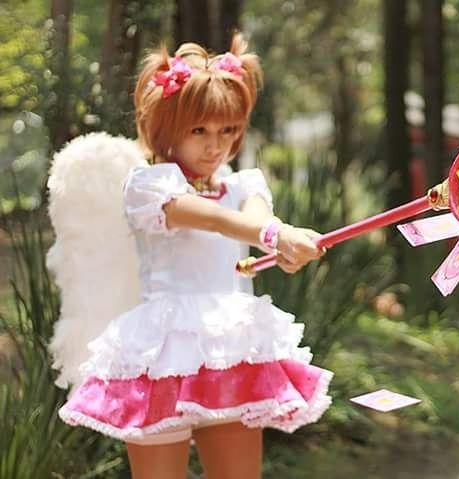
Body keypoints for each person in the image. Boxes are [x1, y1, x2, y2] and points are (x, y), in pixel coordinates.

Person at [50, 34, 333, 479]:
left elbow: (254, 218)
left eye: (228, 130)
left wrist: (281, 243)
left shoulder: (245, 185)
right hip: (160, 358)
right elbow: (209, 219)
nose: (214, 145)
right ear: (165, 128)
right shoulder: (149, 186)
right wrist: (274, 234)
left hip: (232, 353)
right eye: (198, 130)